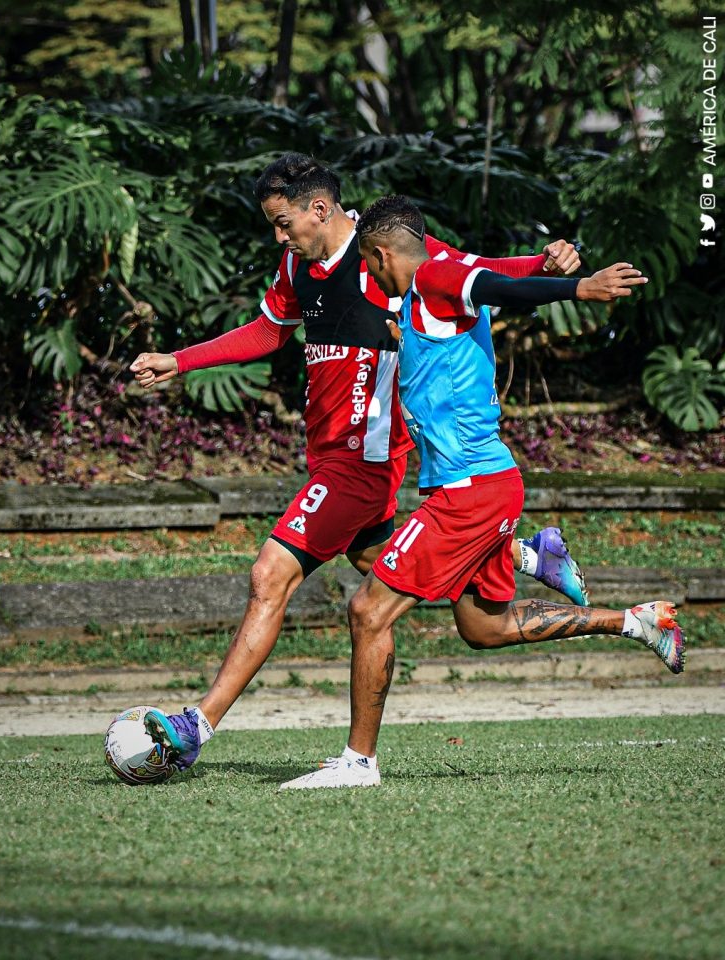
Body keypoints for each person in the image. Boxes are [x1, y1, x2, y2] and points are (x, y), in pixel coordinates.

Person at [128, 155, 589, 774]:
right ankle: (529, 555)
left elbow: (470, 272)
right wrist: (179, 361)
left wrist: (546, 264)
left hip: (363, 463)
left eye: (283, 222)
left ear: (319, 209)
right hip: (329, 457)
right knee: (409, 583)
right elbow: (268, 332)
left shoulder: (382, 256)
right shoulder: (297, 265)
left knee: (271, 576)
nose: (279, 237)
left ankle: (196, 726)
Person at [278, 195, 685, 791]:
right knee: (482, 627)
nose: (367, 276)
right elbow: (494, 275)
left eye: (369, 263)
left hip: (468, 492)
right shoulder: (420, 297)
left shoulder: (436, 277)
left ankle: (357, 763)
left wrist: (577, 290)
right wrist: (544, 264)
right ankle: (637, 622)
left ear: (383, 253)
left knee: (368, 610)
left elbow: (496, 286)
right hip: (482, 488)